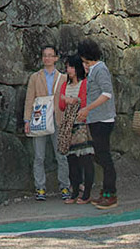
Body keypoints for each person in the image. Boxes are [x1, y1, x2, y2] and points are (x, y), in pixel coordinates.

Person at [24, 45, 71, 199]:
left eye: (51, 55)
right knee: (39, 156)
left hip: (58, 118)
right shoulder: (35, 77)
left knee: (61, 155)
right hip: (39, 118)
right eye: (45, 55)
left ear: (56, 58)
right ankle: (40, 187)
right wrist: (27, 119)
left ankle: (64, 186)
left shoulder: (63, 78)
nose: (47, 58)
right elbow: (29, 98)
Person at [78, 38, 118, 209]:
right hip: (96, 118)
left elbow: (107, 93)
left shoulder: (100, 69)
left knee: (104, 157)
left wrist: (88, 108)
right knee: (101, 156)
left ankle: (110, 193)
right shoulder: (94, 69)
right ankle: (106, 191)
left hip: (103, 118)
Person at [58, 54, 92, 204]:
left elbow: (85, 102)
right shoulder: (65, 85)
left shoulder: (84, 83)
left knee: (85, 159)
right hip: (69, 125)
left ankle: (87, 192)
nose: (69, 70)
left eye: (71, 67)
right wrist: (66, 100)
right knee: (72, 161)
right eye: (67, 67)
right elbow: (61, 106)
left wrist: (74, 101)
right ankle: (75, 191)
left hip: (82, 125)